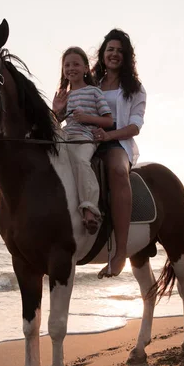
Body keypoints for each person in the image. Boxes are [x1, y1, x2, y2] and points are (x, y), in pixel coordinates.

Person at [55, 29, 146, 279]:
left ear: (126, 56)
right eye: (110, 50)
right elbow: (67, 111)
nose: (114, 54)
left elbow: (135, 126)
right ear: (102, 54)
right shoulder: (89, 82)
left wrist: (108, 135)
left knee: (117, 171)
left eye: (119, 51)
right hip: (81, 136)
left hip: (116, 140)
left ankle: (120, 253)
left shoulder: (134, 89)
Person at [53, 47, 114, 235]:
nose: (71, 68)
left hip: (84, 138)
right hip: (65, 137)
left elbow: (109, 120)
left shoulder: (94, 92)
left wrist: (88, 118)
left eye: (76, 64)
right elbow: (57, 122)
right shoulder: (64, 95)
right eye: (67, 65)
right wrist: (56, 110)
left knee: (80, 162)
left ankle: (90, 210)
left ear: (86, 68)